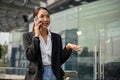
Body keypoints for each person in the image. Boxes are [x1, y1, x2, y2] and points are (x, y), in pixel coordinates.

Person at [23, 7, 81, 80]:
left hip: (55, 75)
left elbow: (59, 60)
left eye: (48, 16)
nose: (46, 19)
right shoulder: (28, 36)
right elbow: (30, 56)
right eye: (42, 16)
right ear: (35, 19)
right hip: (37, 76)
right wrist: (36, 37)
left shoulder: (57, 37)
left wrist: (67, 48)